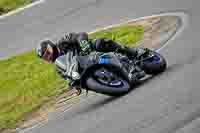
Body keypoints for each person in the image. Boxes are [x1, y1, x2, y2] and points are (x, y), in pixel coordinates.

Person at [36, 32, 146, 94]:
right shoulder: (58, 66)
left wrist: (83, 43)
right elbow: (66, 76)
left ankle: (133, 52)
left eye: (47, 52)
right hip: (84, 68)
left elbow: (80, 35)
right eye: (45, 57)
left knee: (100, 43)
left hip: (89, 52)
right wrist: (74, 85)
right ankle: (111, 78)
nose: (48, 56)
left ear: (51, 46)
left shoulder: (62, 42)